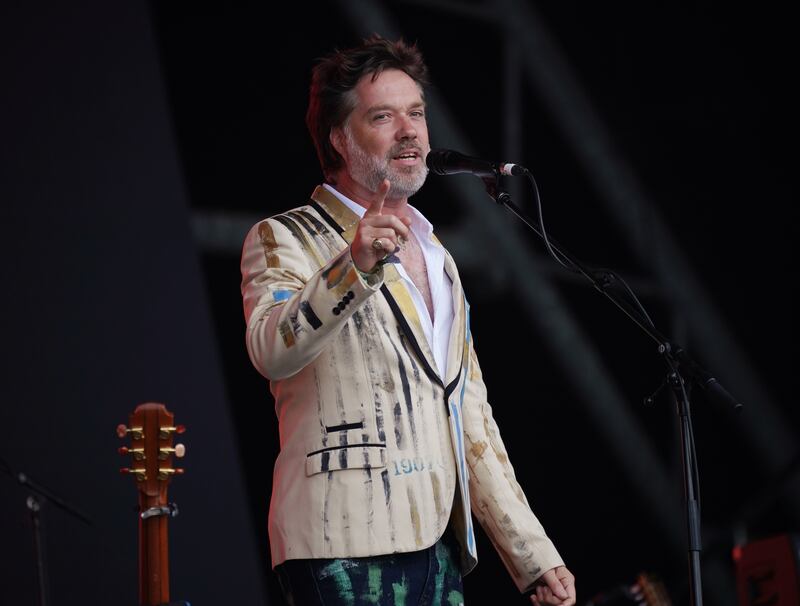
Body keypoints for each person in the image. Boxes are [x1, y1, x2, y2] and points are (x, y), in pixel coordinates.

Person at [240, 34, 576, 606]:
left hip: (438, 544)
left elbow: (468, 415)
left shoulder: (437, 254)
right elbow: (271, 348)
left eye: (416, 113)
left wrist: (531, 553)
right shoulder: (285, 236)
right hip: (337, 543)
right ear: (340, 139)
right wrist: (354, 267)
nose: (410, 130)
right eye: (384, 116)